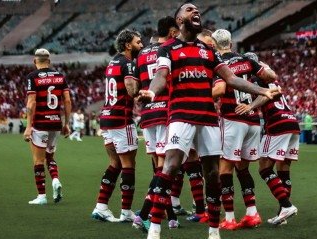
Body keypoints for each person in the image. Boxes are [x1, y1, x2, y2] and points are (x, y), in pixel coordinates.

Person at [138, 3, 278, 239]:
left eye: (197, 10)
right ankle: (154, 228)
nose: (195, 12)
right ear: (179, 19)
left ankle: (214, 231)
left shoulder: (208, 51)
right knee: (170, 166)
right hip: (181, 115)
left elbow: (231, 78)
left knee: (212, 174)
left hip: (208, 118)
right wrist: (152, 92)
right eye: (189, 9)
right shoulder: (168, 49)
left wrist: (261, 90)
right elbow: (161, 77)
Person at [211, 29, 276, 230]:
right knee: (243, 169)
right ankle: (252, 213)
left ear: (214, 45)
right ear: (230, 43)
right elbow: (271, 77)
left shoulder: (221, 65)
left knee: (225, 168)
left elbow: (220, 90)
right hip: (253, 121)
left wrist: (205, 95)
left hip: (232, 119)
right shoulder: (248, 60)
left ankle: (229, 217)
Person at [132, 16, 181, 231]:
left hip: (148, 115)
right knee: (165, 169)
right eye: (177, 31)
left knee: (159, 170)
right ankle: (144, 215)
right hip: (166, 112)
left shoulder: (142, 54)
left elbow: (135, 87)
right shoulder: (171, 49)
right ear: (171, 32)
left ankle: (170, 216)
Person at [235, 65, 299, 226]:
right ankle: (283, 214)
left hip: (277, 124)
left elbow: (266, 96)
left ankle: (286, 205)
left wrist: (250, 106)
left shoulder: (257, 80)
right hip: (291, 121)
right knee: (283, 170)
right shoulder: (272, 81)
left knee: (264, 168)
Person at [91, 29, 143, 222]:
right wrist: (145, 88)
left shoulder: (113, 62)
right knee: (129, 164)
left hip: (106, 117)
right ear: (128, 45)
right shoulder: (128, 63)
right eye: (138, 42)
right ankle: (126, 211)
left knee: (115, 164)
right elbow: (131, 90)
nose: (141, 45)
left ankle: (101, 206)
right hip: (121, 119)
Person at [23, 48, 71, 205]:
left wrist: (28, 126)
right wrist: (67, 124)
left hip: (40, 124)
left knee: (38, 160)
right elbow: (67, 101)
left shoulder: (32, 77)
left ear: (34, 61)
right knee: (50, 156)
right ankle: (55, 180)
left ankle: (42, 196)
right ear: (49, 61)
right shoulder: (59, 76)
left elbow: (32, 102)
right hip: (55, 123)